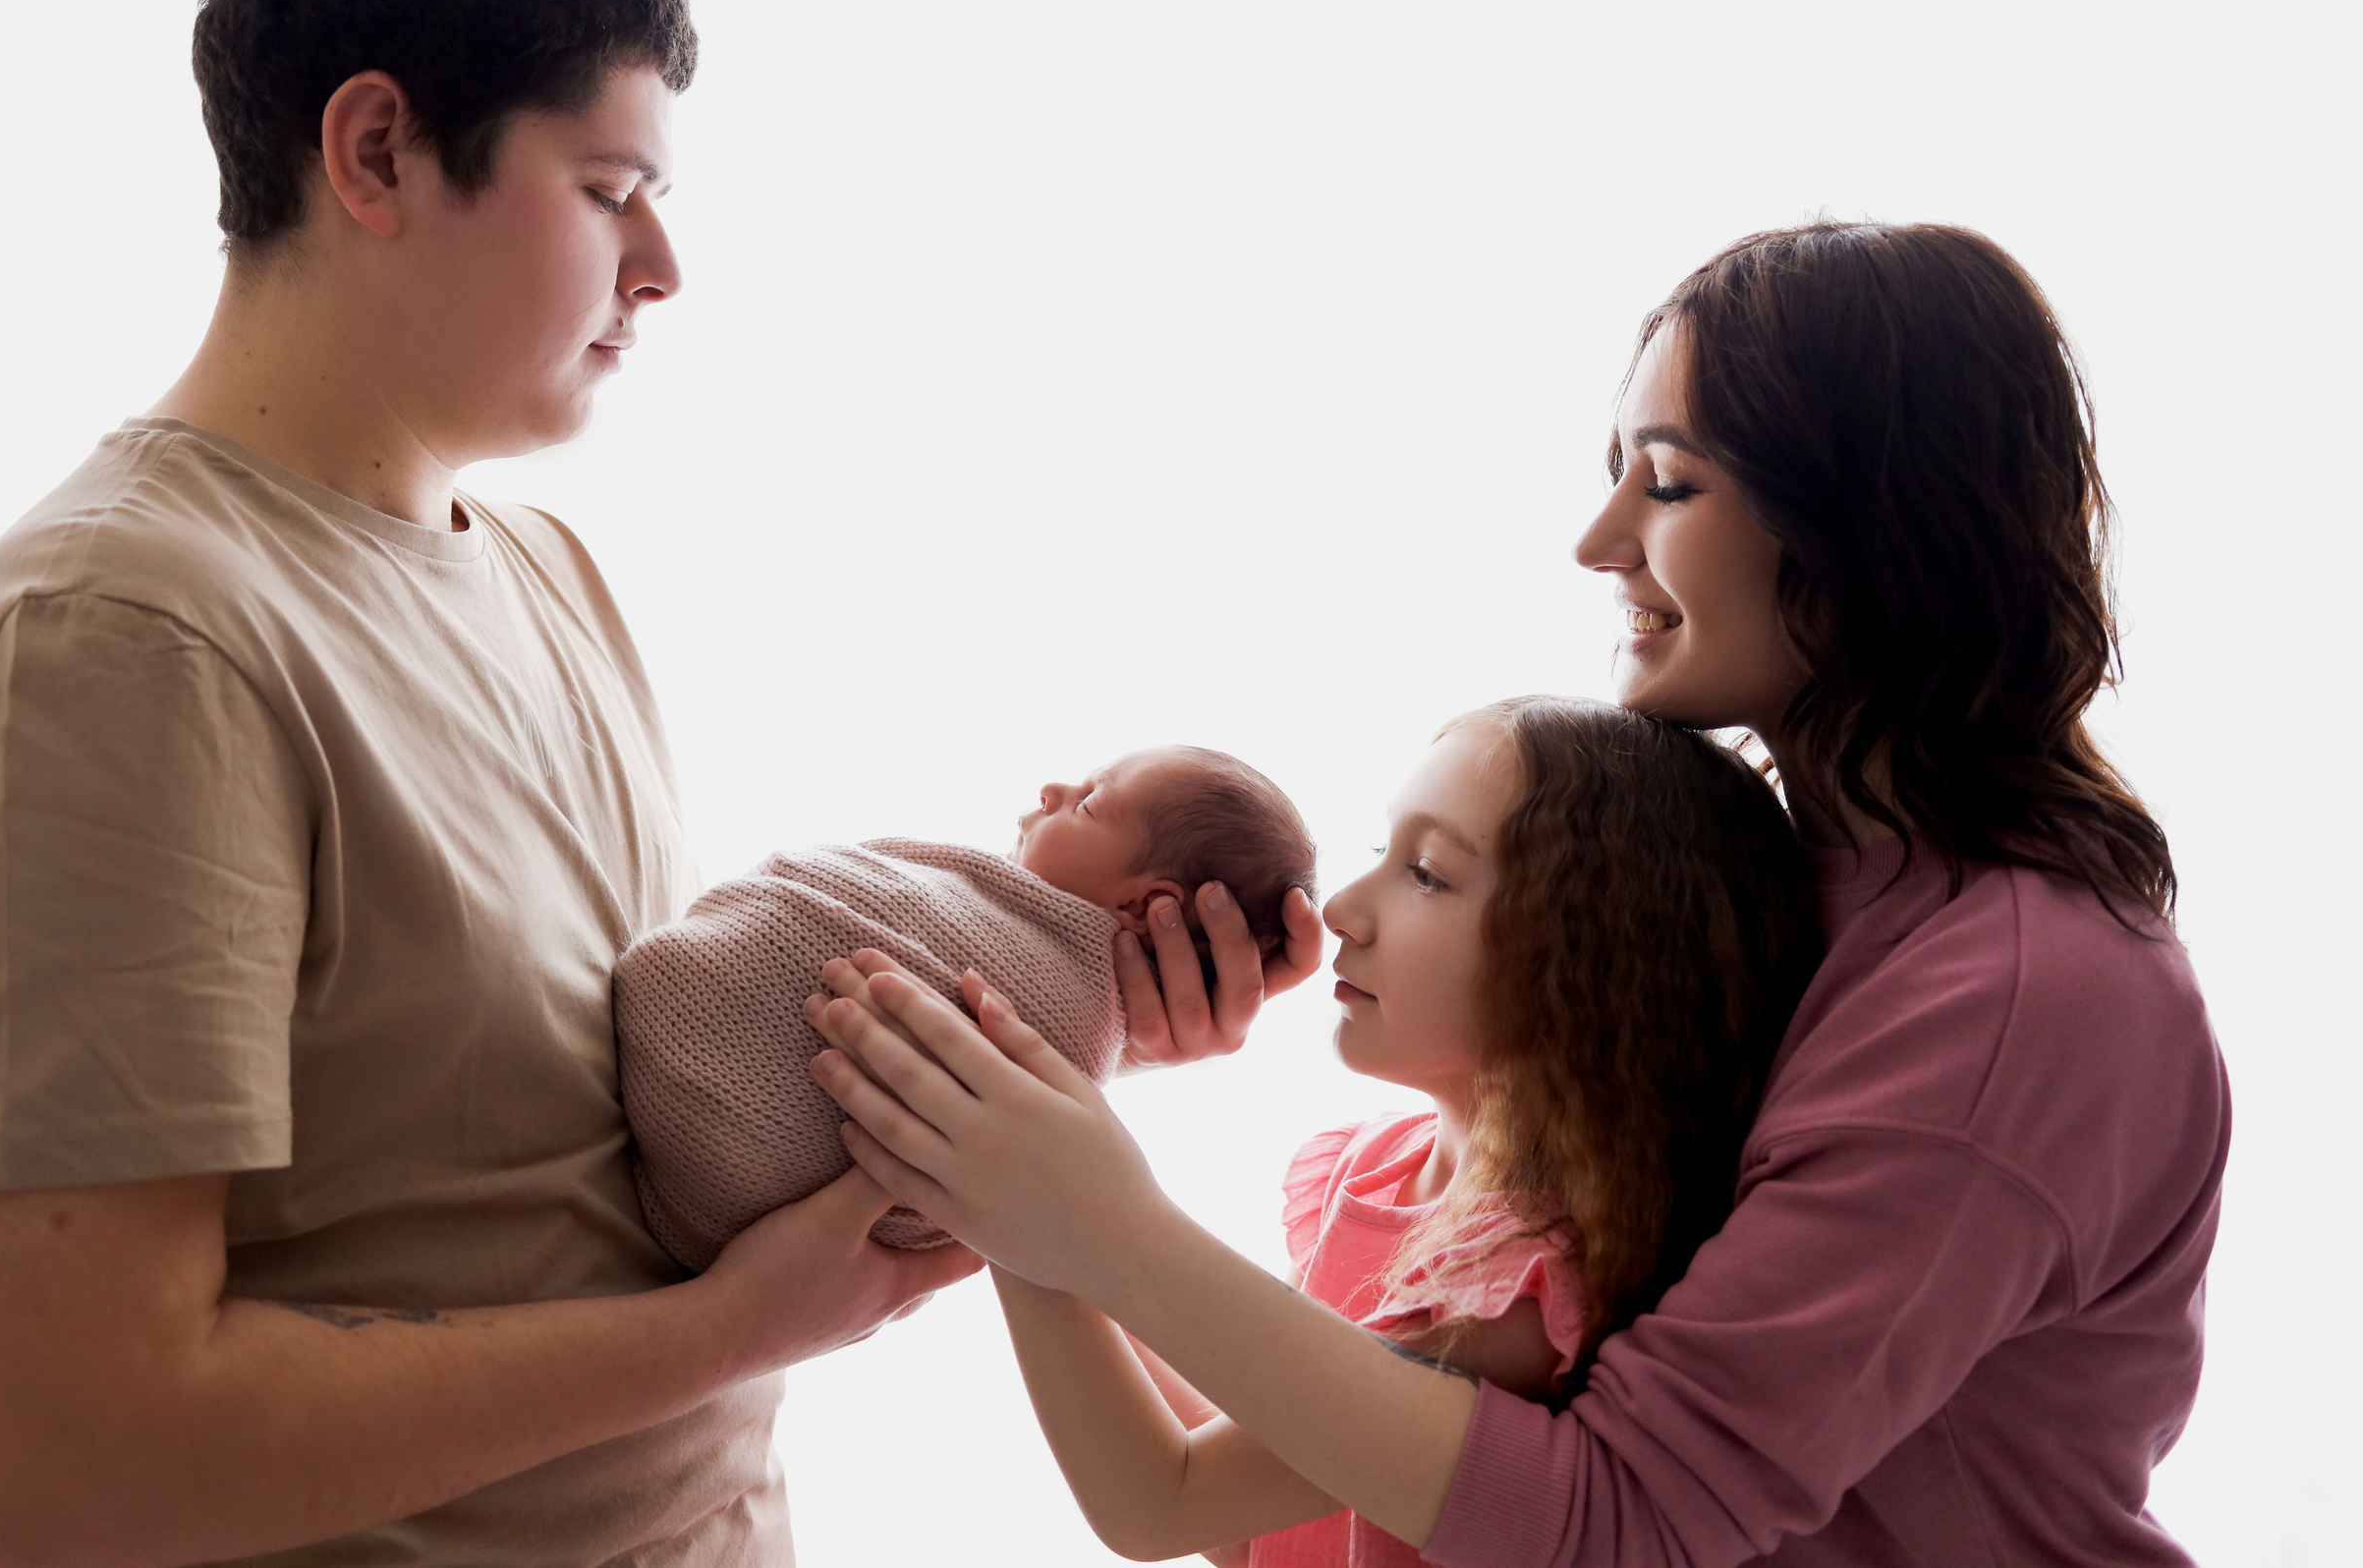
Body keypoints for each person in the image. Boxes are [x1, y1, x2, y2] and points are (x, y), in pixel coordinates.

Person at [0, 0, 1319, 1564]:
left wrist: (1082, 1010)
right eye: (612, 191)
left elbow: (607, 1131)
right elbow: (55, 1475)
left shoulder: (547, 576)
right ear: (377, 152)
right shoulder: (122, 643)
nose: (667, 267)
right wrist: (739, 1328)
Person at [804, 221, 2228, 1565]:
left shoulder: (2014, 998)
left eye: (1668, 482)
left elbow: (1623, 1511)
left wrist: (1097, 1219)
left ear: (1869, 521)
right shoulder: (1778, 882)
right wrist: (1087, 1062)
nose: (1601, 538)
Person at [806, 698, 1818, 1564]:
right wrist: (1037, 1167)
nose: (1342, 907)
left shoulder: (1506, 1293)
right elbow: (1256, 1515)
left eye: (1426, 874)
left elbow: (1164, 1497)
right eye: (1383, 850)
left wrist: (1024, 1209)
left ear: (1586, 971)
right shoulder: (1375, 1172)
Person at [617, 746, 1316, 1269]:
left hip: (732, 1145)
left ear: (1141, 905)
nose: (1054, 788)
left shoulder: (1069, 1016)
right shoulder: (992, 931)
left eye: (1091, 803)